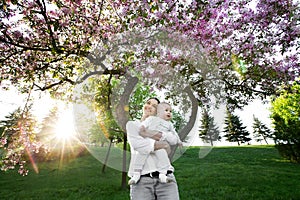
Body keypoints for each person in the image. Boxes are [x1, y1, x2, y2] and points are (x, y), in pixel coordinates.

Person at [126, 98, 180, 200]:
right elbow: (138, 145)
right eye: (148, 103)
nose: (149, 106)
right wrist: (160, 142)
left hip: (166, 178)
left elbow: (171, 143)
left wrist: (148, 136)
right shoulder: (132, 125)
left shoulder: (164, 127)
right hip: (141, 181)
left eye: (154, 106)